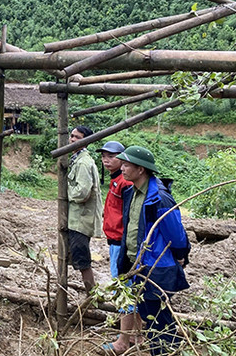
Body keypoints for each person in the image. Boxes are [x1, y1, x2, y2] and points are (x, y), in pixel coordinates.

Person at [117, 146, 190, 356]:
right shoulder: (131, 193)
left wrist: (180, 254)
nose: (122, 168)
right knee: (148, 316)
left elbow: (175, 233)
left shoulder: (159, 198)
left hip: (155, 267)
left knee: (160, 320)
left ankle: (166, 352)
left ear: (141, 170)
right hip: (135, 264)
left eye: (127, 164)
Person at [97, 141, 141, 354]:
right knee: (132, 287)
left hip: (121, 243)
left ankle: (123, 341)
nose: (107, 160)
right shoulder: (116, 180)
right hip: (116, 241)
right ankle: (137, 335)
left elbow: (130, 216)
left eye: (111, 156)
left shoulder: (125, 183)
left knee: (124, 290)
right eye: (104, 155)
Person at [66, 125, 102, 292]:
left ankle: (91, 293)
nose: (72, 140)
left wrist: (66, 192)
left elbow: (82, 193)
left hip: (81, 220)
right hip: (76, 219)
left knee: (82, 259)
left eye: (77, 137)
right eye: (72, 136)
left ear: (86, 141)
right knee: (76, 255)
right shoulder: (77, 159)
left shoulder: (83, 163)